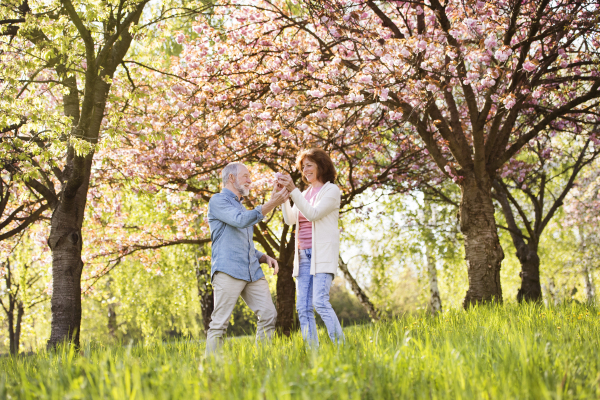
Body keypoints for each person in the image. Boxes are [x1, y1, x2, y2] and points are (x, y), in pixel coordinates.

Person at [205, 162, 289, 355]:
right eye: (245, 176)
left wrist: (263, 257)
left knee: (268, 315)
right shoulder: (218, 201)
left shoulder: (241, 207)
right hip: (228, 270)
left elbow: (242, 242)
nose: (250, 180)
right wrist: (273, 202)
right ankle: (211, 370)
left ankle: (263, 361)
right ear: (231, 178)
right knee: (220, 323)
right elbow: (241, 221)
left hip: (252, 271)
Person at [277, 148, 344, 347]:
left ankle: (342, 347)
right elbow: (290, 219)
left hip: (320, 254)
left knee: (320, 302)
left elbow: (314, 214)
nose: (305, 170)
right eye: (302, 167)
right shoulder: (305, 193)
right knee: (303, 307)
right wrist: (283, 195)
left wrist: (294, 191)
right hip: (302, 256)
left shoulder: (331, 190)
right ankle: (312, 352)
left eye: (309, 165)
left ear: (321, 166)